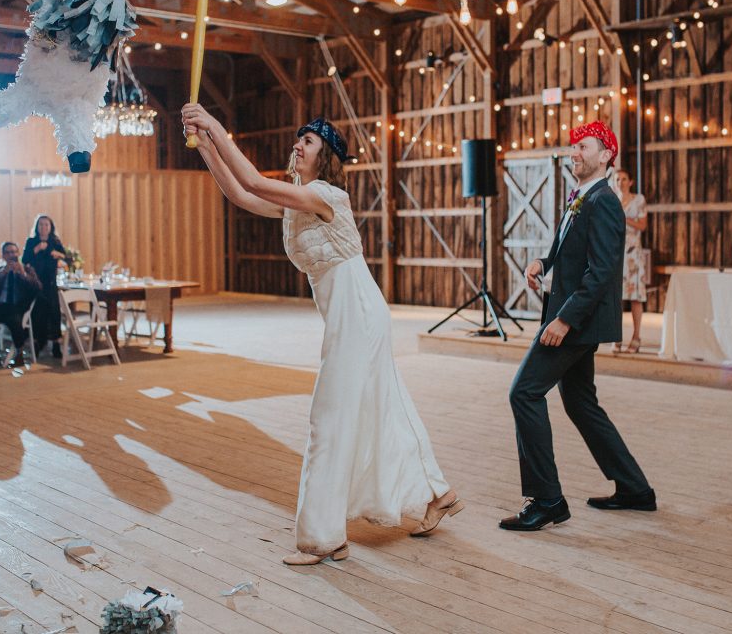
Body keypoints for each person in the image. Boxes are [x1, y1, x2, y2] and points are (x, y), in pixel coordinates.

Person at [181, 104, 462, 565]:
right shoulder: (297, 199)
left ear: (325, 155)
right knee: (381, 408)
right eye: (298, 139)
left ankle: (322, 537)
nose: (296, 145)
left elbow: (252, 181)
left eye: (306, 141)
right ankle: (438, 492)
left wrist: (212, 123)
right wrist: (206, 146)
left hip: (357, 313)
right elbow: (241, 194)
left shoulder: (325, 195)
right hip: (351, 314)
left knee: (327, 421)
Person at [500, 121, 655, 532]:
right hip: (575, 316)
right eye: (573, 146)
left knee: (524, 393)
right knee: (580, 401)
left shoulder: (604, 200)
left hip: (576, 321)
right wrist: (543, 263)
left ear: (606, 155)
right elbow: (568, 250)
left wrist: (564, 319)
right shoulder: (581, 196)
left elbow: (602, 271)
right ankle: (635, 487)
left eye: (583, 146)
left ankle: (546, 499)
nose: (575, 152)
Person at [613, 168, 647, 353]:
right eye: (617, 179)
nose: (621, 182)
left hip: (633, 253)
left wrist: (624, 219)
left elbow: (642, 225)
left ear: (630, 182)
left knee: (635, 297)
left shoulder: (638, 200)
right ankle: (616, 337)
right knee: (616, 297)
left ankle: (636, 337)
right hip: (616, 253)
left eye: (624, 179)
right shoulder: (612, 201)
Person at [23, 214, 66, 358]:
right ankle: (38, 342)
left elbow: (66, 257)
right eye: (41, 224)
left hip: (51, 282)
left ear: (51, 227)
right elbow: (24, 260)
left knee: (54, 312)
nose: (43, 227)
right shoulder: (31, 241)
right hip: (36, 282)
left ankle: (56, 344)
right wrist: (36, 249)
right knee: (38, 313)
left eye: (46, 224)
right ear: (37, 227)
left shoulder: (55, 241)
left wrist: (57, 254)